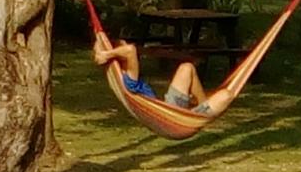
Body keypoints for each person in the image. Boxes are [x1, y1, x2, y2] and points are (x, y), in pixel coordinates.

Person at [92, 34, 232, 116]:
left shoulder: (121, 76)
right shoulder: (129, 79)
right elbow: (130, 50)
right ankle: (201, 110)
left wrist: (99, 37)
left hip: (168, 106)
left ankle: (202, 103)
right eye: (122, 47)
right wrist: (107, 54)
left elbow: (106, 45)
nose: (127, 45)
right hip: (170, 113)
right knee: (226, 95)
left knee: (186, 67)